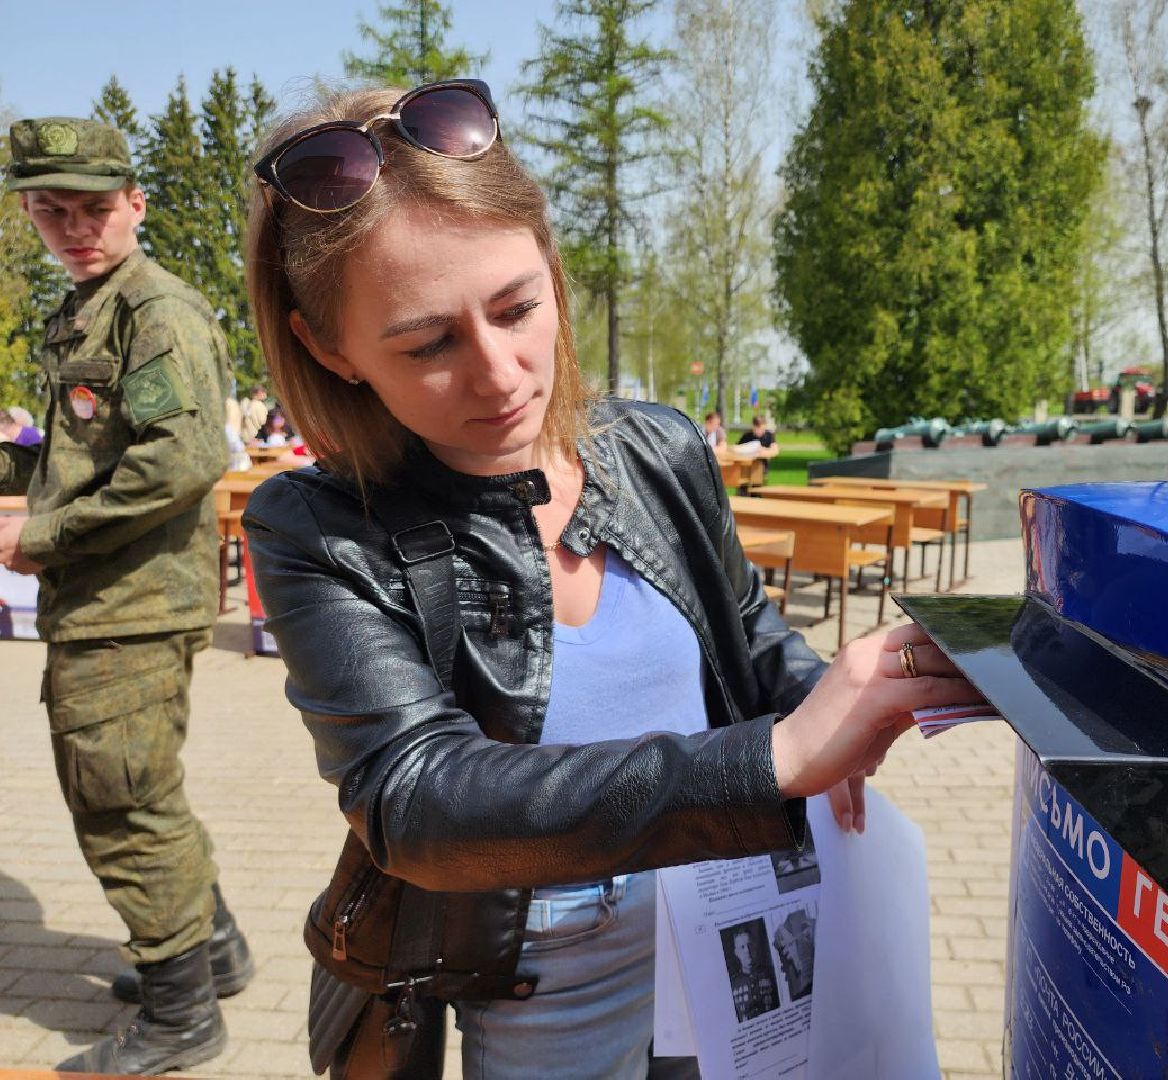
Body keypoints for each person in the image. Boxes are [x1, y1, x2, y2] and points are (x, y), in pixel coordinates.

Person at [241, 81, 976, 1079]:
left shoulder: (658, 451)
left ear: (551, 263)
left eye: (517, 307)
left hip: (732, 966)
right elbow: (416, 797)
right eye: (428, 344)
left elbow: (748, 637)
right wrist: (772, 761)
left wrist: (835, 700)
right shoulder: (322, 529)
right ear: (331, 349)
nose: (501, 373)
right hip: (539, 1009)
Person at [0, 117, 252, 1075]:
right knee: (141, 790)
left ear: (136, 205)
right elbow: (87, 451)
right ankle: (210, 952)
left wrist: (44, 532)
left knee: (118, 803)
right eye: (49, 209)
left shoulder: (153, 311)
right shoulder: (94, 305)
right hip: (116, 600)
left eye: (94, 208)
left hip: (131, 602)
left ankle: (181, 1015)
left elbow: (181, 459)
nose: (74, 227)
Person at [727, 924, 779, 1022]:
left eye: (749, 945)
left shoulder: (770, 974)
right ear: (736, 953)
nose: (747, 950)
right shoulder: (732, 984)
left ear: (755, 947)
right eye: (742, 947)